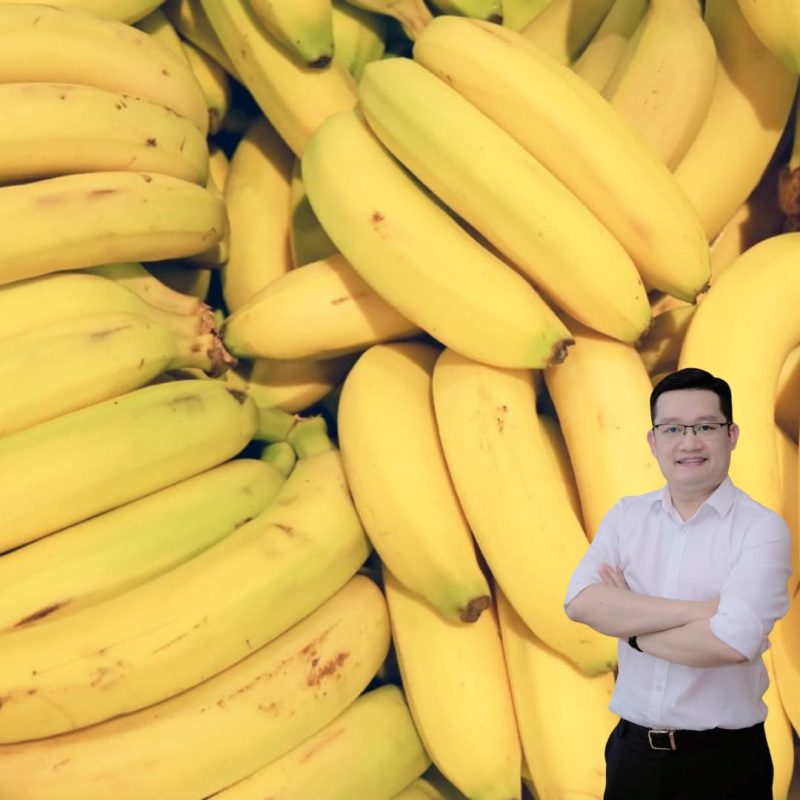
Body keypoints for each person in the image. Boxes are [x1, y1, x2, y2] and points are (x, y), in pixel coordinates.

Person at [564, 367, 792, 800]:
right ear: (653, 442)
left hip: (724, 763)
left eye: (705, 427)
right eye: (672, 429)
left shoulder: (762, 529)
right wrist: (699, 611)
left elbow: (730, 643)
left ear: (732, 435)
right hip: (633, 757)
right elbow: (580, 602)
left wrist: (630, 627)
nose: (689, 443)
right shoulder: (626, 517)